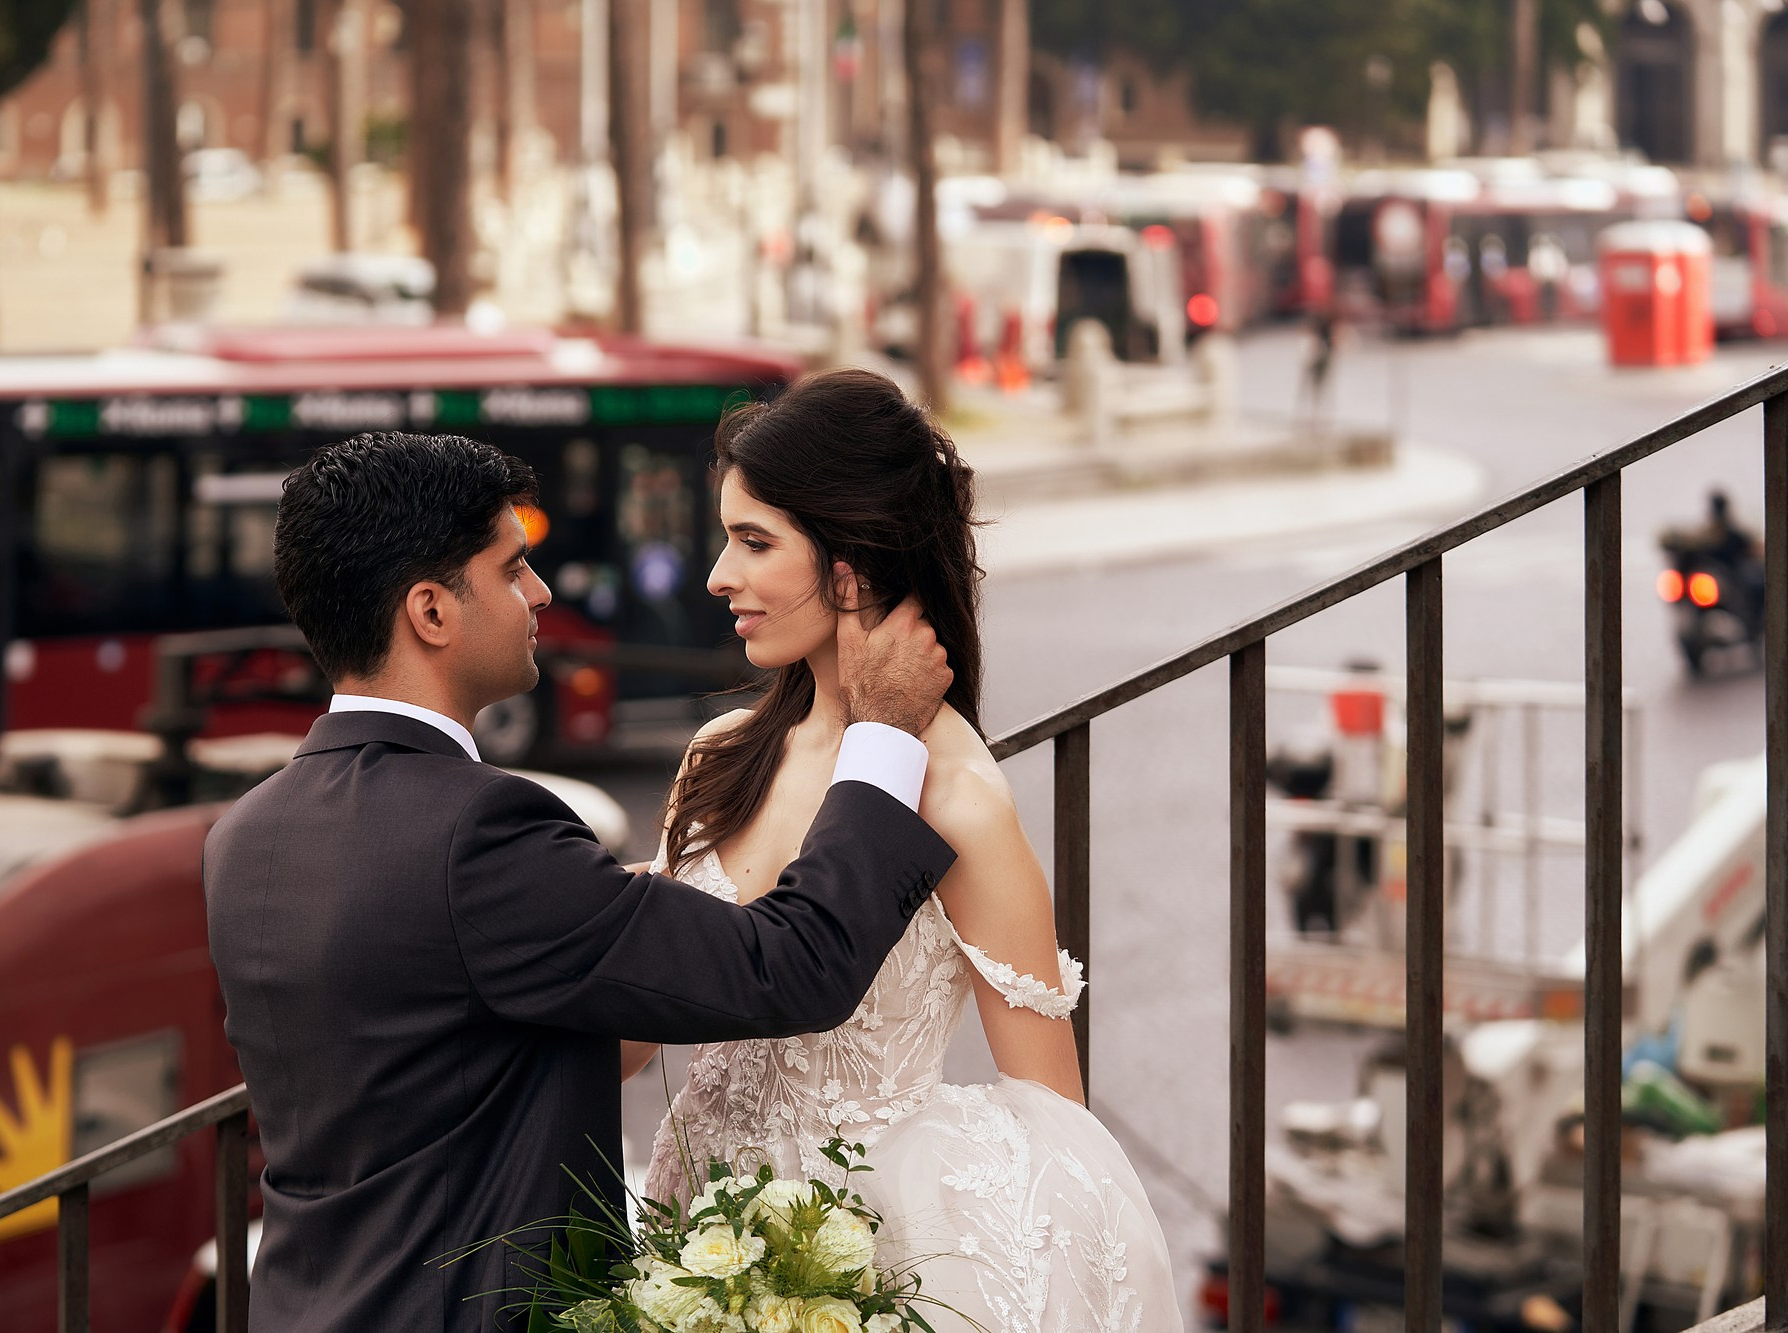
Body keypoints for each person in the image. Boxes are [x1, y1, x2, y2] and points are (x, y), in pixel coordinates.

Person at [202, 431, 961, 1331]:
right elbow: (793, 967)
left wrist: (614, 907)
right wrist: (882, 737)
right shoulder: (480, 833)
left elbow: (430, 1020)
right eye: (512, 567)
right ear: (431, 612)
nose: (541, 592)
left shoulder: (242, 836)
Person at [631, 368, 1183, 1331]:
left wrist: (911, 1201)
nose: (717, 574)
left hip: (866, 1261)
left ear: (850, 564)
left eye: (754, 542)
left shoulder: (960, 798)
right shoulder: (717, 759)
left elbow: (1057, 1122)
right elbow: (639, 1011)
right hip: (695, 1237)